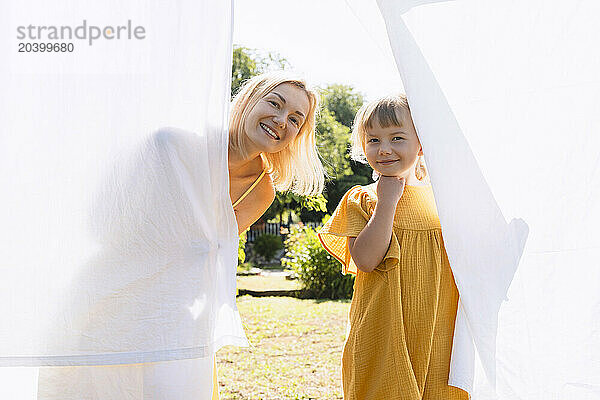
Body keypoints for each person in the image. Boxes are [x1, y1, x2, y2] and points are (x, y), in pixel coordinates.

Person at [36, 72, 325, 400]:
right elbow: (104, 223)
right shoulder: (172, 143)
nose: (281, 120)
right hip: (108, 293)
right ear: (250, 99)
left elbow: (209, 259)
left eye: (295, 120)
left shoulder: (261, 193)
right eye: (275, 103)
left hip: (169, 313)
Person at [318, 95, 469, 400]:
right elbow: (365, 260)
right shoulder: (363, 198)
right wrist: (387, 202)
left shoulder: (445, 201)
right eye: (373, 140)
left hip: (438, 330)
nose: (384, 148)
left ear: (422, 142)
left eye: (397, 138)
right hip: (382, 330)